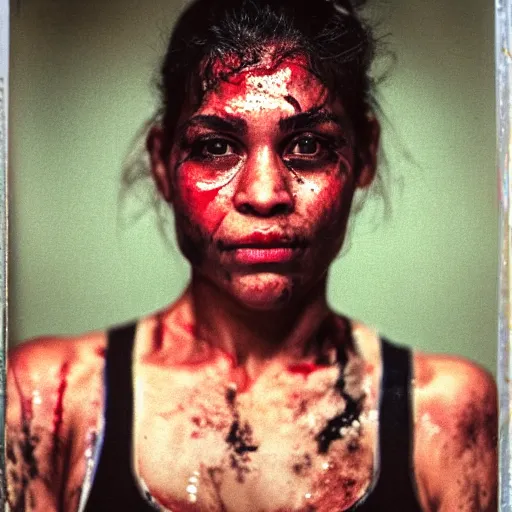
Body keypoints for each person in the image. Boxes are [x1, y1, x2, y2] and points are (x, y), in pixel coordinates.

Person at [6, 0, 497, 510]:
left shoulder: (441, 413)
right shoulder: (55, 401)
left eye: (308, 145)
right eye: (216, 147)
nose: (264, 195)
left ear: (365, 153)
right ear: (161, 162)